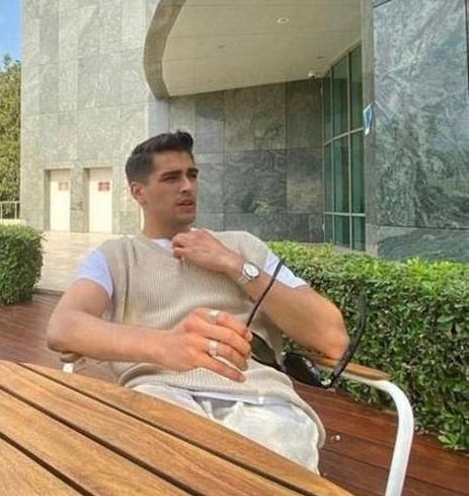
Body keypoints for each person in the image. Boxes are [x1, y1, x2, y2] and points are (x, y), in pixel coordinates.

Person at [46, 130, 350, 472]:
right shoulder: (117, 256)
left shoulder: (243, 246)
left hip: (259, 398)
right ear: (138, 192)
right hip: (159, 392)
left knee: (275, 483)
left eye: (192, 175)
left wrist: (234, 265)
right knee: (164, 472)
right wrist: (166, 346)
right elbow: (63, 326)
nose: (187, 186)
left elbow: (333, 338)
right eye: (171, 178)